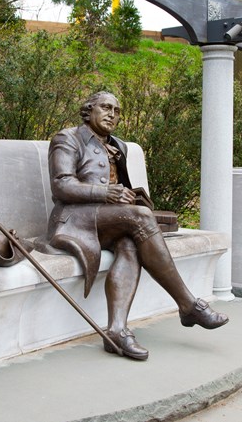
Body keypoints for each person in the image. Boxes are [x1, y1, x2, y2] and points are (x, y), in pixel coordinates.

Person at [43, 91, 228, 361]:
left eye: (117, 111)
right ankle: (188, 304)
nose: (112, 114)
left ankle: (116, 330)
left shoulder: (119, 146)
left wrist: (128, 195)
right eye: (105, 108)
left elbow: (119, 188)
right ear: (88, 111)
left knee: (129, 243)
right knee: (140, 218)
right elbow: (61, 185)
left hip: (110, 221)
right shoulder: (67, 138)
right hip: (75, 220)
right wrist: (106, 194)